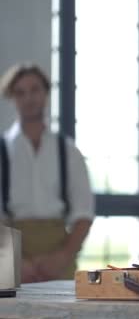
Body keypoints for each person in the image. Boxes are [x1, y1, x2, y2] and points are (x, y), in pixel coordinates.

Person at [0, 63, 95, 282]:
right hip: (8, 249)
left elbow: (84, 213)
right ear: (12, 97)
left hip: (60, 251)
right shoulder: (2, 150)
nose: (29, 98)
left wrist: (62, 256)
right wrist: (16, 261)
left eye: (35, 89)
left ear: (45, 92)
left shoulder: (68, 151)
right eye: (20, 92)